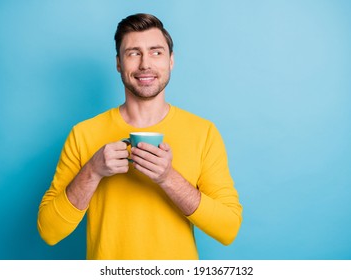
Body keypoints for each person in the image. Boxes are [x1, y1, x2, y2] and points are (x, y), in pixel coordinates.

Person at [37, 13, 242, 260]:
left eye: (156, 52)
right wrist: (93, 170)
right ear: (118, 63)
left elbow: (228, 228)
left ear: (171, 61)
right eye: (133, 53)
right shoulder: (83, 134)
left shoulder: (204, 132)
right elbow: (49, 231)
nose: (145, 64)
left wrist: (168, 178)